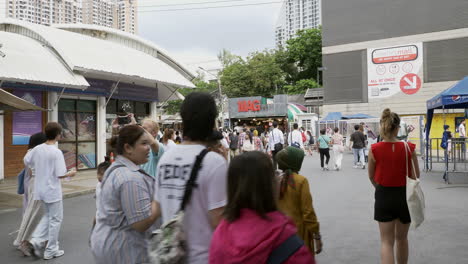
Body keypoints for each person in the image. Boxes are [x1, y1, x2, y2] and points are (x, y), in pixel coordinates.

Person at [154, 92, 228, 263]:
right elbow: (219, 221)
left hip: (171, 255)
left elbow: (158, 207)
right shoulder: (214, 162)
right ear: (212, 121)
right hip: (203, 257)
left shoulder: (166, 158)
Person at [209, 151, 315, 264]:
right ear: (270, 184)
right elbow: (308, 211)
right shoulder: (285, 237)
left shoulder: (220, 234)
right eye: (274, 174)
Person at [91, 125, 160, 264]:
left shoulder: (117, 170)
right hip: (123, 249)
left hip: (108, 245)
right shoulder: (130, 178)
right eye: (144, 143)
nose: (148, 148)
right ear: (128, 148)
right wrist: (160, 200)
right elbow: (140, 223)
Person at [368, 108, 420, 264]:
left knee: (386, 242)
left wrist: (380, 187)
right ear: (398, 128)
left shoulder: (374, 149)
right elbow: (415, 174)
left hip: (383, 194)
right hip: (404, 195)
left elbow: (371, 176)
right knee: (402, 238)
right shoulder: (408, 148)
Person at [24, 122, 77, 260]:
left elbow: (26, 160)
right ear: (58, 135)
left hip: (40, 189)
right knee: (56, 219)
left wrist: (39, 167)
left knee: (48, 216)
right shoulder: (56, 152)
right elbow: (60, 174)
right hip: (52, 190)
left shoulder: (37, 149)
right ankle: (51, 250)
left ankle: (36, 240)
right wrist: (70, 173)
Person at [276, 147, 322, 256]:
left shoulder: (275, 180)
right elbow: (308, 212)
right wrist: (316, 235)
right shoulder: (301, 181)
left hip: (280, 233)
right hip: (298, 234)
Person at [14, 132, 47, 256]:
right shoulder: (36, 153)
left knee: (32, 212)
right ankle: (25, 241)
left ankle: (26, 239)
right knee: (36, 213)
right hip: (37, 184)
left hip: (32, 185)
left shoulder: (30, 153)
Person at [92, 157, 112, 229]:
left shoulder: (111, 187)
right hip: (99, 216)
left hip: (108, 220)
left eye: (101, 174)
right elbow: (97, 198)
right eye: (98, 173)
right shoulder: (98, 185)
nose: (98, 176)